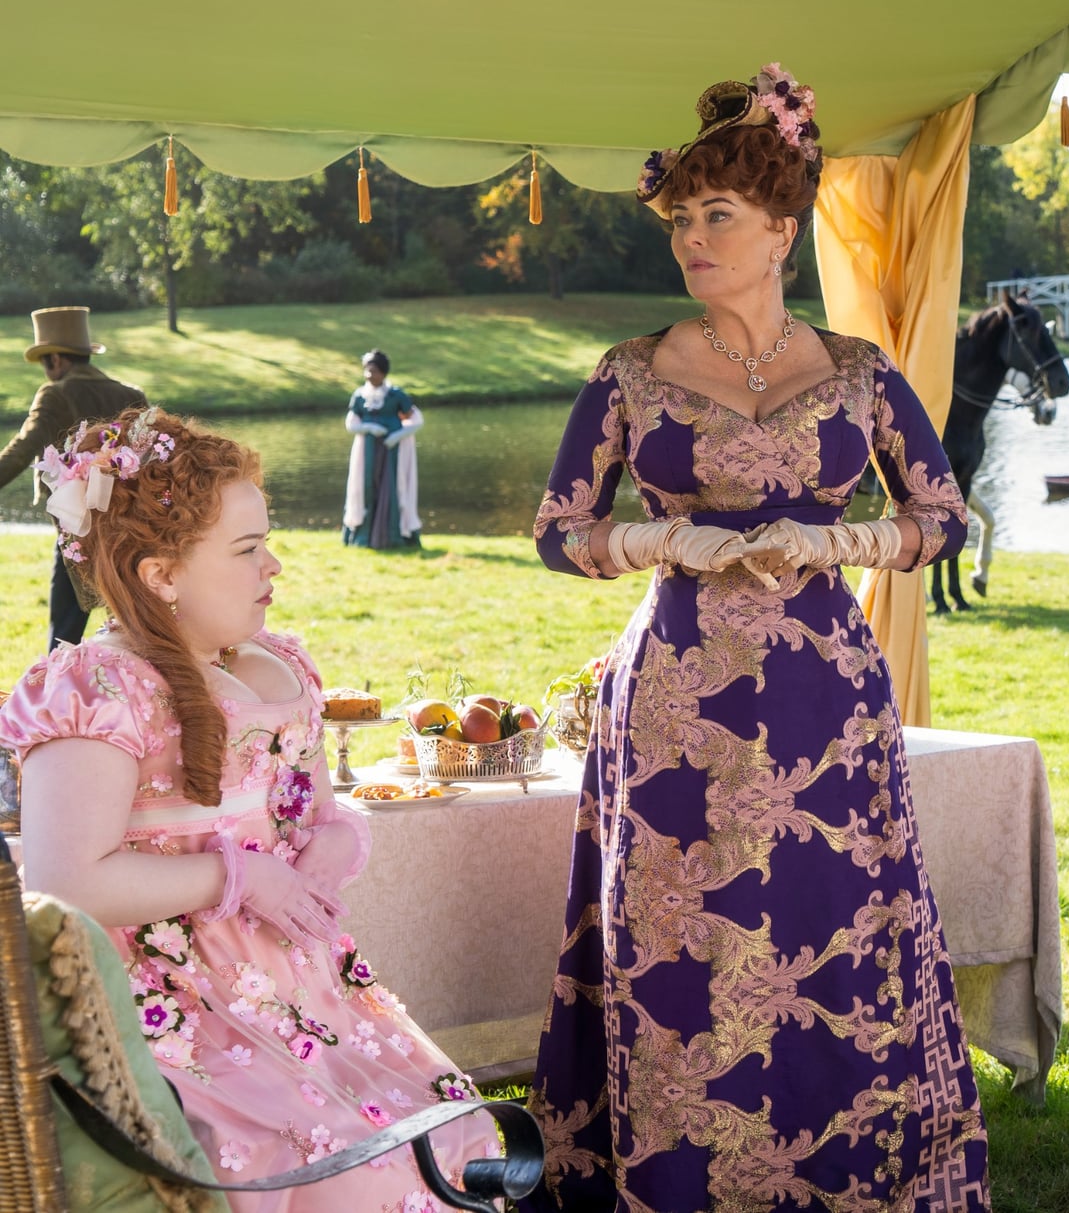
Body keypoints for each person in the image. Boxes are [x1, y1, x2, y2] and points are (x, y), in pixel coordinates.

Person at [523, 63, 988, 1210]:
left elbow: (941, 515)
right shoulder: (630, 372)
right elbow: (556, 529)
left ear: (782, 231)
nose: (690, 238)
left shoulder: (858, 372)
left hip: (825, 697)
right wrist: (658, 548)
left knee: (828, 917)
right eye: (679, 220)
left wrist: (844, 547)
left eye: (715, 216)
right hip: (676, 697)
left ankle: (846, 1174)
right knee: (683, 939)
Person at [0, 408, 501, 1209]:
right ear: (163, 575)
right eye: (246, 549)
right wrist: (239, 877)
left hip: (300, 987)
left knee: (455, 1132)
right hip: (176, 1000)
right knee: (343, 1172)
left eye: (267, 541)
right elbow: (66, 883)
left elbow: (319, 811)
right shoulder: (99, 688)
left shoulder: (280, 661)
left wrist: (334, 845)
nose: (273, 566)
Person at [0, 307, 146, 648]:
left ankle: (56, 694)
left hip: (78, 527)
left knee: (64, 631)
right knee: (136, 622)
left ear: (55, 358)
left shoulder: (56, 394)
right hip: (130, 524)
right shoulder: (131, 394)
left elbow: (22, 450)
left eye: (44, 362)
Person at [342, 350, 423, 549]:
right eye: (367, 371)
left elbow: (416, 420)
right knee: (366, 487)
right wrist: (367, 428)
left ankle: (394, 537)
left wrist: (397, 436)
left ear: (384, 373)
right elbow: (351, 422)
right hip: (367, 451)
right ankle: (363, 537)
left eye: (374, 371)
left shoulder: (396, 395)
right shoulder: (360, 396)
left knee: (392, 487)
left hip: (391, 452)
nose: (370, 376)